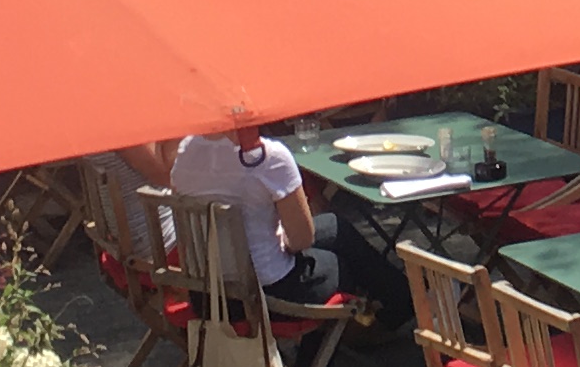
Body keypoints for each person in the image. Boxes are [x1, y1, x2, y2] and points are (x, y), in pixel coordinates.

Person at [172, 114, 408, 328]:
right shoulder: (268, 157)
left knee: (335, 227)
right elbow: (302, 240)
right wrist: (283, 237)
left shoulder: (184, 152)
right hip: (264, 294)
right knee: (338, 265)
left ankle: (402, 298)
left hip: (206, 294)